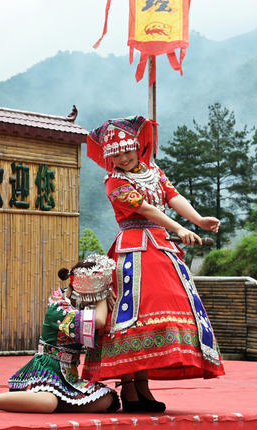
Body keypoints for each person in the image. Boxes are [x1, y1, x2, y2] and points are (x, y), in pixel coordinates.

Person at [82, 116, 225, 412]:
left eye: (127, 151)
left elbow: (172, 197)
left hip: (160, 248)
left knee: (160, 307)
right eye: (116, 154)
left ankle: (142, 385)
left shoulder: (154, 172)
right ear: (110, 158)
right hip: (134, 249)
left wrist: (197, 220)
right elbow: (145, 208)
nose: (123, 158)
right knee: (131, 314)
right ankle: (128, 386)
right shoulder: (115, 182)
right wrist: (179, 229)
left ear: (137, 146)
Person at [0, 256, 120, 413]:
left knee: (109, 399)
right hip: (47, 370)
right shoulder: (60, 309)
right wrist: (103, 296)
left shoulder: (76, 303)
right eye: (95, 295)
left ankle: (45, 402)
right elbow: (99, 320)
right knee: (49, 402)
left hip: (69, 375)